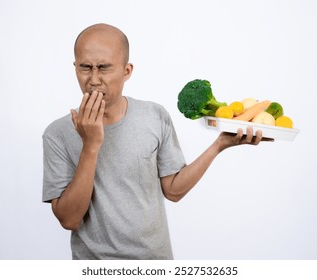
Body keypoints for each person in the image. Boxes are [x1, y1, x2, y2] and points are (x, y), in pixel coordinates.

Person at [42, 23, 271, 260]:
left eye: (104, 68)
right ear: (75, 68)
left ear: (127, 71)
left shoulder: (154, 116)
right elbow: (69, 219)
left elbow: (173, 190)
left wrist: (219, 145)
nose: (94, 79)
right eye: (85, 67)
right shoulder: (57, 134)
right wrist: (90, 145)